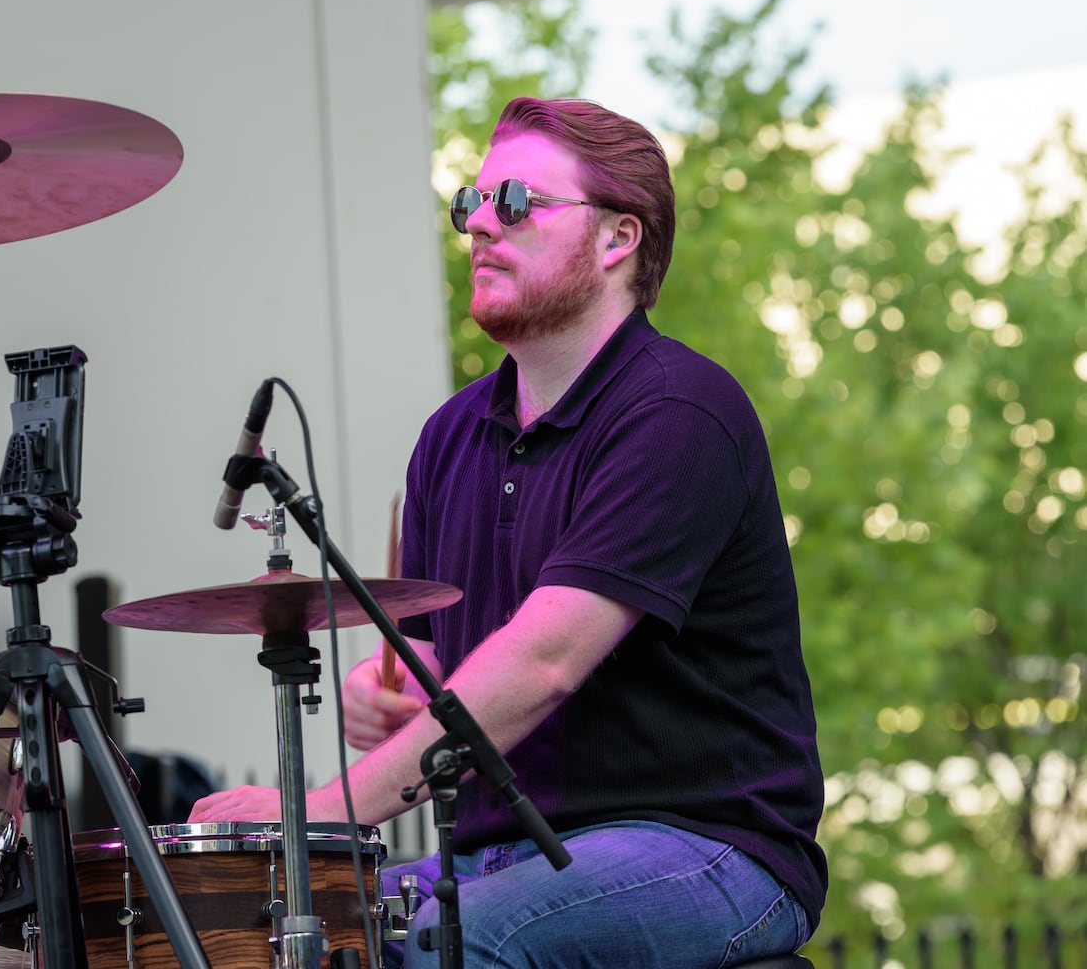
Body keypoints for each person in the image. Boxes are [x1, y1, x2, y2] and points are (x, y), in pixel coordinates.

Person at [189, 96, 826, 967]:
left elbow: (542, 661)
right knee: (248, 925)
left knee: (454, 939)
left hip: (707, 847)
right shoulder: (450, 437)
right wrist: (406, 701)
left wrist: (319, 812)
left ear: (617, 240)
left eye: (516, 203)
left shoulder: (678, 413)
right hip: (499, 852)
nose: (481, 226)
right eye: (470, 204)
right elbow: (450, 677)